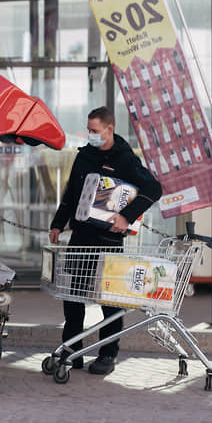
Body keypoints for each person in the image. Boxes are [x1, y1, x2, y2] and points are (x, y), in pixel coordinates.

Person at [48, 106, 162, 375]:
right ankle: (71, 351)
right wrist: (58, 223)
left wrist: (126, 217)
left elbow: (153, 188)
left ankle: (108, 353)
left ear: (109, 129)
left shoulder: (125, 159)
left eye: (95, 130)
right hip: (80, 237)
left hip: (108, 241)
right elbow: (71, 193)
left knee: (109, 300)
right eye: (89, 130)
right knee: (72, 296)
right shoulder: (84, 155)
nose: (91, 134)